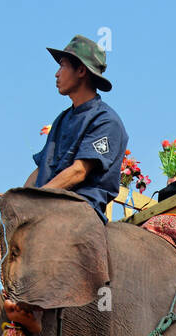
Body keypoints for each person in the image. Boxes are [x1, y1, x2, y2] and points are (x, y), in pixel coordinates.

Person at [25, 35, 128, 220]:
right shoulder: (61, 119)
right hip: (44, 205)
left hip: (79, 211)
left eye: (62, 66)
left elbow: (79, 171)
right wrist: (16, 198)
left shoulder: (106, 121)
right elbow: (40, 170)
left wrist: (33, 200)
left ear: (81, 70)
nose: (57, 73)